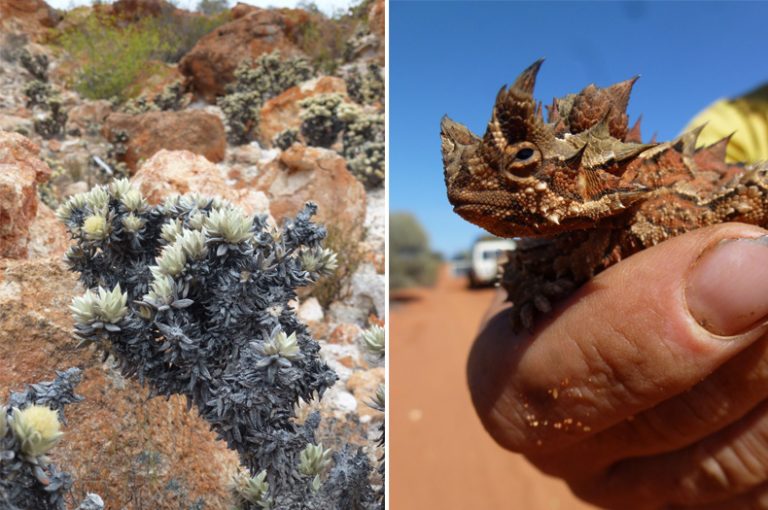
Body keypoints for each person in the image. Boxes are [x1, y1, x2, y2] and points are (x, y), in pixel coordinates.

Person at [467, 89, 768, 509]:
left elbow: (751, 190)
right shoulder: (740, 118)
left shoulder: (668, 192)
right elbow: (518, 273)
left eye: (522, 163)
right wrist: (530, 296)